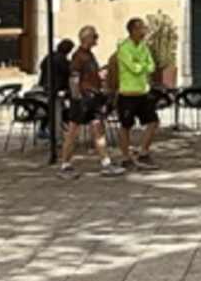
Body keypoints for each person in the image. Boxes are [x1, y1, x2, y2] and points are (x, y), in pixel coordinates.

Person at [58, 25, 123, 179]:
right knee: (73, 131)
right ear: (86, 38)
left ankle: (106, 163)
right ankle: (65, 164)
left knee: (98, 129)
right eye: (94, 36)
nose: (97, 39)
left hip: (93, 97)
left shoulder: (89, 55)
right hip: (83, 99)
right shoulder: (78, 56)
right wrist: (77, 98)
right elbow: (74, 78)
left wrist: (100, 75)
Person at [114, 18, 160, 168]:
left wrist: (142, 66)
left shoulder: (144, 47)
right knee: (126, 125)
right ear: (133, 30)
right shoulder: (124, 48)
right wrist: (143, 66)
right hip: (127, 93)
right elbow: (134, 69)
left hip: (143, 92)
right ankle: (125, 157)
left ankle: (143, 152)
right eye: (141, 28)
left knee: (153, 122)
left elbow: (152, 66)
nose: (144, 31)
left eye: (144, 28)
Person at [38, 38, 75, 138]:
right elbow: (67, 72)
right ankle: (57, 133)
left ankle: (45, 128)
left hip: (46, 87)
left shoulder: (50, 56)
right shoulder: (61, 59)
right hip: (56, 89)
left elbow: (41, 66)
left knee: (51, 109)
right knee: (56, 111)